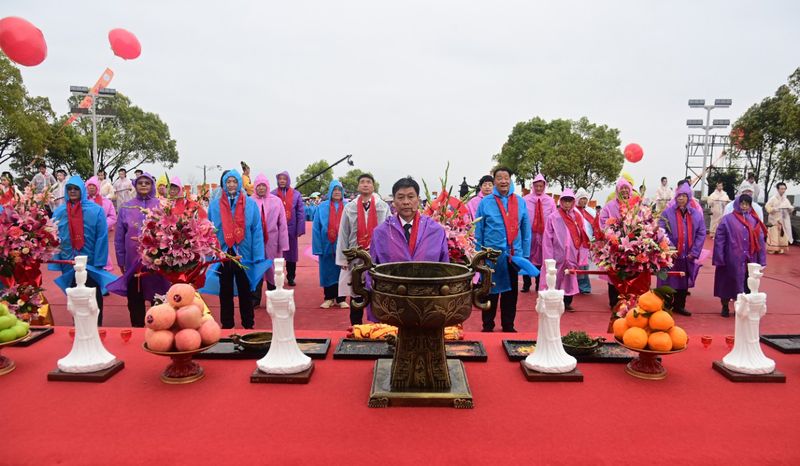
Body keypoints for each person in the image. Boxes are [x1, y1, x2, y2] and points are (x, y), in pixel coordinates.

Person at [202, 170, 269, 329]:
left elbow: (256, 230)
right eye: (228, 182)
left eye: (234, 181)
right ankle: (227, 324)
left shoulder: (250, 204)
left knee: (245, 289)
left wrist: (258, 254)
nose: (231, 184)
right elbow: (209, 230)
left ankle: (248, 323)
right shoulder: (215, 205)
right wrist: (211, 252)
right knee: (225, 290)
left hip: (244, 253)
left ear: (239, 183)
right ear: (224, 184)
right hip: (224, 253)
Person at [48, 176, 116, 325]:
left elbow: (102, 237)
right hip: (68, 261)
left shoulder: (96, 210)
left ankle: (97, 326)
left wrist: (99, 261)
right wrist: (57, 261)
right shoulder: (59, 212)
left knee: (93, 294)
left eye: (76, 188)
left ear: (82, 190)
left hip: (90, 261)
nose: (72, 191)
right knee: (73, 295)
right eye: (69, 189)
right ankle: (78, 326)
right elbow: (54, 237)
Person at [475, 167, 536, 332]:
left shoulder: (520, 201)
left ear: (510, 179)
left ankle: (508, 325)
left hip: (512, 256)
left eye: (506, 177)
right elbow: (478, 231)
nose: (503, 181)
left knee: (511, 294)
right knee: (489, 293)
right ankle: (487, 326)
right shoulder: (485, 202)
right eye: (499, 178)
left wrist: (525, 255)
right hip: (490, 258)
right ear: (494, 181)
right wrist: (477, 256)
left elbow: (526, 231)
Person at [108, 173, 171, 327]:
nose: (143, 185)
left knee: (158, 297)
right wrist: (121, 260)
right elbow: (119, 238)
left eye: (147, 183)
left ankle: (159, 328)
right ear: (135, 186)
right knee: (135, 297)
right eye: (140, 183)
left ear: (152, 186)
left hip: (157, 262)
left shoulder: (161, 205)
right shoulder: (126, 207)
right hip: (133, 262)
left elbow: (170, 232)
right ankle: (137, 328)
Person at [335, 173, 390, 325]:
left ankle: (380, 328)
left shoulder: (383, 206)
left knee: (378, 291)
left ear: (373, 186)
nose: (365, 184)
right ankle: (356, 326)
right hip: (356, 256)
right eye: (362, 182)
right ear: (358, 186)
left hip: (376, 255)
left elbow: (389, 231)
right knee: (356, 291)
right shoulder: (350, 207)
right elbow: (343, 232)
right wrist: (342, 259)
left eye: (368, 182)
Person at [371, 177, 449, 265]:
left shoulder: (435, 231)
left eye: (411, 197)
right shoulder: (381, 232)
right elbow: (372, 270)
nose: (406, 202)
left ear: (418, 200)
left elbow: (445, 267)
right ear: (393, 201)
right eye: (400, 197)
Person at [713, 194, 767, 317]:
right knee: (727, 283)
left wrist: (762, 260)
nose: (744, 206)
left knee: (746, 284)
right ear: (737, 204)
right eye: (742, 203)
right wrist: (719, 257)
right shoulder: (727, 219)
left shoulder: (754, 220)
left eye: (747, 204)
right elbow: (720, 239)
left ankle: (743, 308)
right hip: (731, 257)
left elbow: (760, 241)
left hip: (749, 258)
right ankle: (725, 306)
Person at [658, 183, 706, 316]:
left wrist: (695, 251)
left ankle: (680, 305)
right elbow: (661, 231)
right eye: (679, 196)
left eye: (684, 196)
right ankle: (666, 306)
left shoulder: (696, 214)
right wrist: (670, 249)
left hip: (687, 255)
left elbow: (701, 233)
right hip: (671, 255)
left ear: (689, 197)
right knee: (668, 280)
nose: (681, 199)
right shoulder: (667, 213)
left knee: (683, 281)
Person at [540, 189, 590, 311]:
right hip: (557, 254)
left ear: (573, 202)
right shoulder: (554, 217)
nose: (567, 204)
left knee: (569, 278)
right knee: (555, 278)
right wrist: (548, 257)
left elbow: (583, 236)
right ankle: (553, 302)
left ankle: (567, 302)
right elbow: (547, 238)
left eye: (569, 201)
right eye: (565, 201)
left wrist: (581, 255)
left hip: (572, 253)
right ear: (561, 201)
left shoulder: (577, 217)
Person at [599, 177, 640, 308]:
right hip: (614, 245)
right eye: (621, 189)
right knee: (614, 273)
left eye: (626, 189)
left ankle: (630, 299)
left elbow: (643, 221)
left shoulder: (636, 205)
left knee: (631, 272)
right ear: (617, 190)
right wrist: (612, 233)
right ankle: (614, 301)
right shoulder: (609, 206)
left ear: (630, 190)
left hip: (633, 245)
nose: (624, 191)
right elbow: (603, 222)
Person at [251, 173, 289, 305]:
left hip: (273, 241)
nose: (261, 188)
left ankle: (274, 298)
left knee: (273, 269)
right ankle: (255, 299)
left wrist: (283, 244)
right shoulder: (250, 201)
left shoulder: (276, 201)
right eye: (259, 186)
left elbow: (282, 223)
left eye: (263, 185)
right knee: (257, 269)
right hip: (255, 242)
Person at [312, 179, 349, 308]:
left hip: (344, 246)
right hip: (327, 244)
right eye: (335, 190)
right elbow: (316, 228)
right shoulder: (322, 207)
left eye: (339, 190)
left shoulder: (348, 206)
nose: (337, 192)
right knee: (327, 271)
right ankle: (328, 298)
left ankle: (341, 299)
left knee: (342, 271)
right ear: (330, 191)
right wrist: (318, 247)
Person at [522, 174, 556, 292]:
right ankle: (526, 284)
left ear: (544, 186)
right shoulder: (525, 199)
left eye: (541, 186)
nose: (539, 188)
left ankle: (539, 284)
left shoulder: (550, 201)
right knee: (527, 257)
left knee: (542, 259)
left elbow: (554, 218)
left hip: (544, 235)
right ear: (533, 186)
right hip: (529, 234)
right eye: (536, 186)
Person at [273, 171, 305, 286]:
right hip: (276, 230)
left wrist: (300, 228)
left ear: (288, 180)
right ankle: (277, 278)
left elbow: (300, 212)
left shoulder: (296, 194)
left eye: (284, 179)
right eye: (280, 179)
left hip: (291, 229)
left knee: (291, 255)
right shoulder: (273, 194)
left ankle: (291, 277)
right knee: (277, 254)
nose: (282, 181)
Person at [85, 176, 117, 272]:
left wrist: (101, 226)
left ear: (97, 187)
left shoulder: (106, 202)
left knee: (101, 248)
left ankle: (104, 266)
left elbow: (112, 217)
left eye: (93, 185)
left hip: (101, 232)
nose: (91, 187)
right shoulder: (82, 202)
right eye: (89, 185)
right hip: (86, 232)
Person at [574, 188, 596, 294]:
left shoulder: (591, 211)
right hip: (575, 242)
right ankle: (573, 286)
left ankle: (584, 287)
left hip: (586, 243)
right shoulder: (573, 211)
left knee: (584, 265)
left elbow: (595, 226)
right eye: (581, 199)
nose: (583, 201)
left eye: (585, 199)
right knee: (574, 264)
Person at [765, 182, 794, 254]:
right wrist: (773, 209)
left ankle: (781, 247)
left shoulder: (785, 199)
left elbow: (789, 208)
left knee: (782, 235)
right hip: (774, 219)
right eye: (781, 189)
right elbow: (767, 206)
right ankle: (772, 248)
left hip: (782, 220)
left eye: (784, 189)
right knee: (774, 234)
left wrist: (790, 209)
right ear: (778, 189)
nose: (783, 190)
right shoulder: (773, 198)